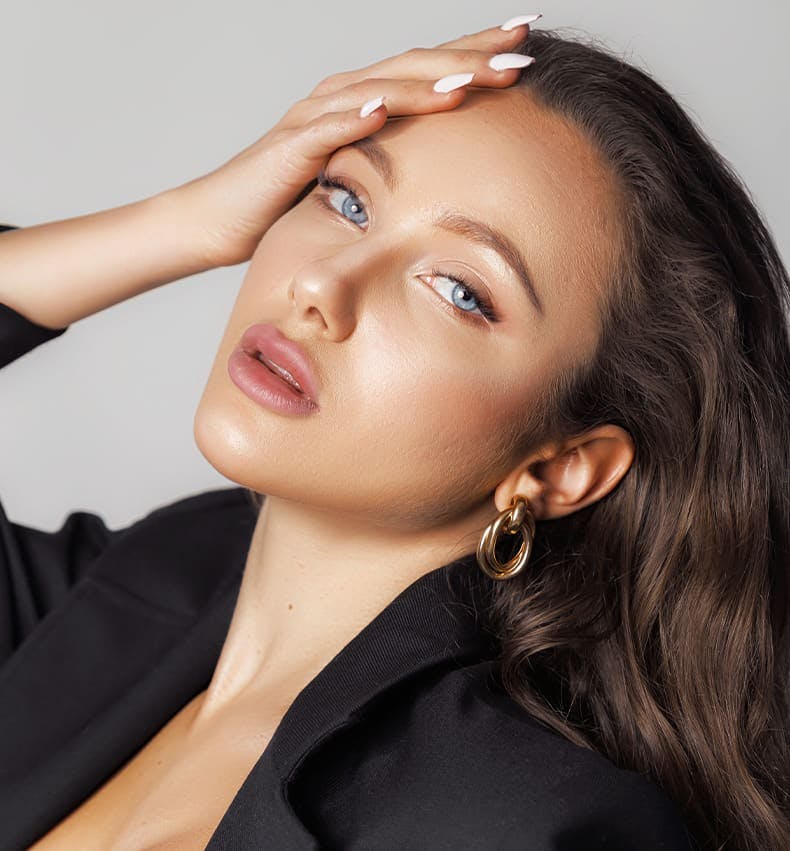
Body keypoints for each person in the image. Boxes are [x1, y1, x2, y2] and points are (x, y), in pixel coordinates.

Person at [0, 14, 787, 851]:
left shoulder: (524, 823)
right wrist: (184, 220)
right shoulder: (126, 594)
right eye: (346, 200)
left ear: (561, 469)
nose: (321, 285)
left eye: (457, 289)